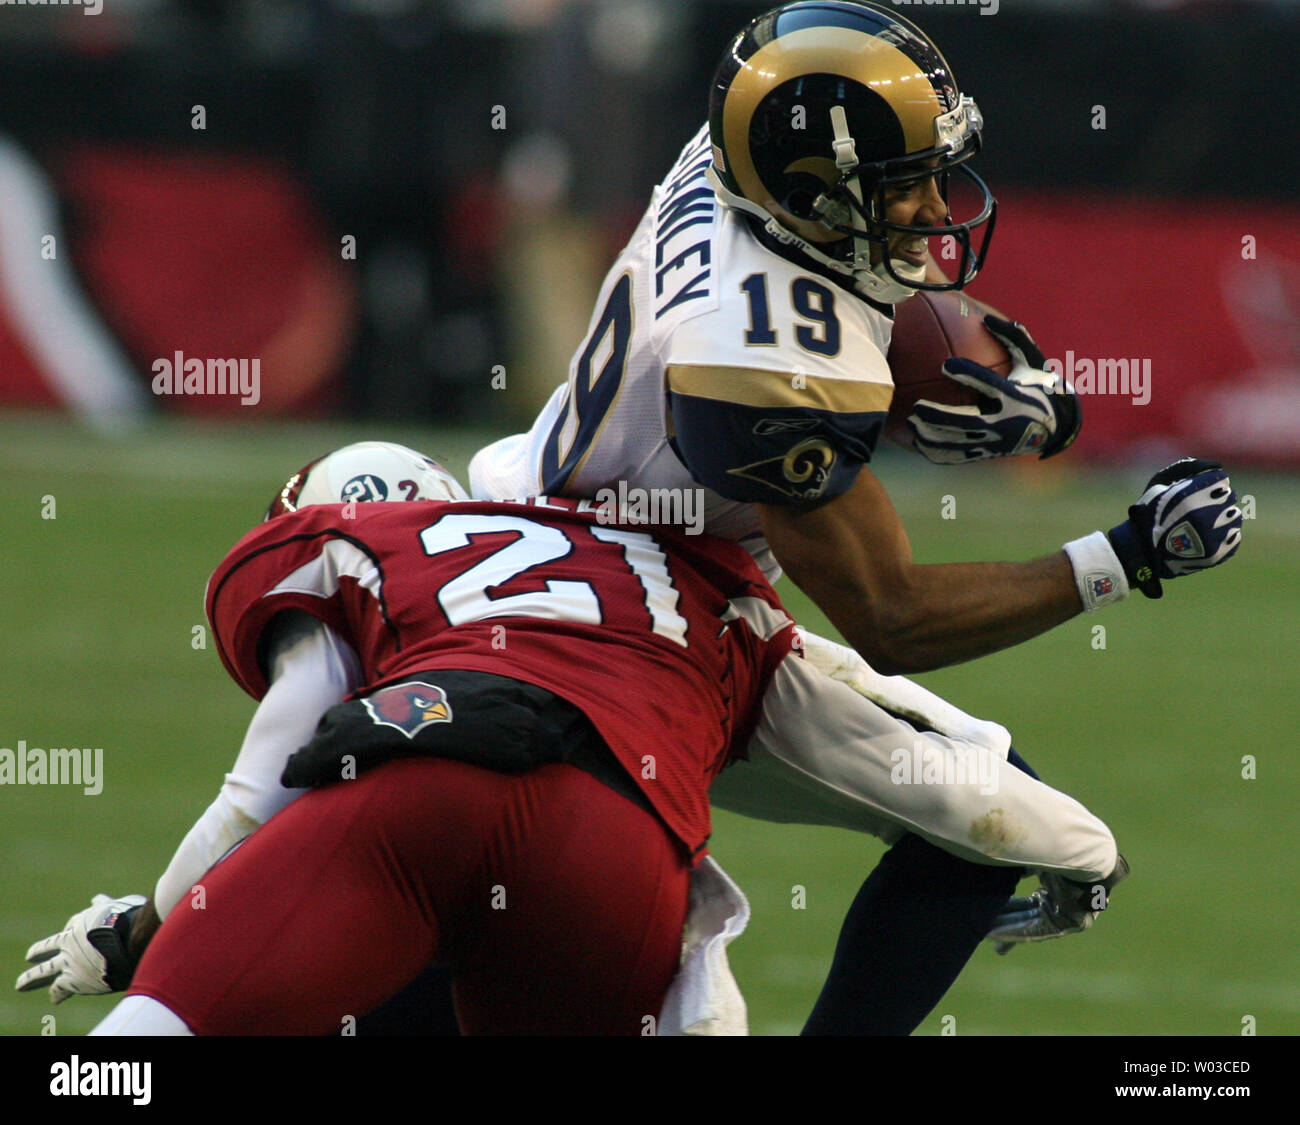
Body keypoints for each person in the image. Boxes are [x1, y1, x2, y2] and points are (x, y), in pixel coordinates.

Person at [466, 0, 1242, 1033]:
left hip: (536, 523)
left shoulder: (742, 156)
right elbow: (892, 616)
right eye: (904, 184)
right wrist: (1125, 553)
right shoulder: (764, 366)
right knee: (974, 838)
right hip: (635, 622)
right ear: (811, 193)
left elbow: (853, 293)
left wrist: (971, 378)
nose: (931, 209)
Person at [19, 441, 1127, 1035]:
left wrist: (139, 929)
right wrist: (1074, 840)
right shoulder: (659, 568)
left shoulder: (358, 556)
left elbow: (262, 787)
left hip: (409, 817)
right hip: (614, 841)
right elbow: (928, 753)